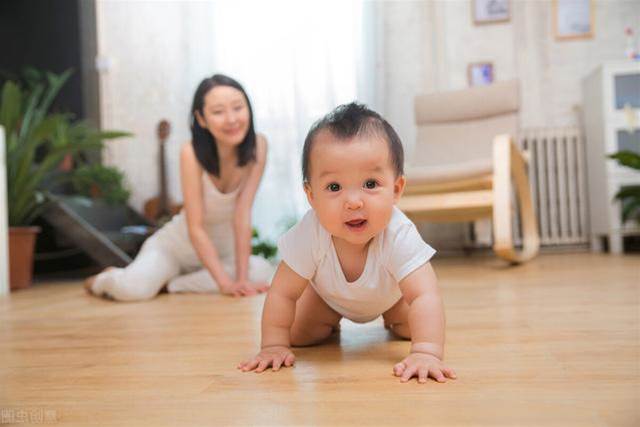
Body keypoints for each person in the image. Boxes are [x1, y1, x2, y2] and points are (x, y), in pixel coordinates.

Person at [238, 103, 456, 383]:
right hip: (326, 298)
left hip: (391, 297)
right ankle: (328, 320)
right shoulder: (310, 232)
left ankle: (392, 317)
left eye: (370, 183)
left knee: (412, 326)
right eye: (334, 187)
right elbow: (282, 293)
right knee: (300, 335)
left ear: (396, 190)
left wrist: (427, 352)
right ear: (311, 195)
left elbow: (425, 295)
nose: (353, 202)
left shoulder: (398, 233)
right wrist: (273, 345)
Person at [85, 74, 274, 301]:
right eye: (218, 112)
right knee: (132, 290)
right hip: (176, 248)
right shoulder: (191, 153)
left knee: (263, 271)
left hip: (223, 252)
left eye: (238, 107)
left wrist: (242, 280)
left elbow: (243, 213)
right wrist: (225, 284)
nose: (232, 119)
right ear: (201, 119)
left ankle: (171, 285)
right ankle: (105, 279)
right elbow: (195, 227)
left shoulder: (259, 146)